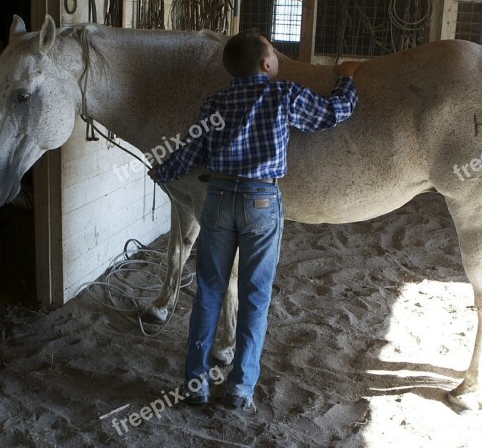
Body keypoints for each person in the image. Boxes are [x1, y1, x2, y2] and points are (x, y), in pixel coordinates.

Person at [148, 29, 359, 412]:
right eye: (276, 53)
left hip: (218, 200)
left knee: (209, 291)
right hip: (261, 201)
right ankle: (240, 388)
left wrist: (163, 169)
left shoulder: (214, 104)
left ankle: (195, 383)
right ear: (267, 64)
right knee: (255, 296)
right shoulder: (284, 94)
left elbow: (191, 150)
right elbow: (332, 113)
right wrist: (346, 77)